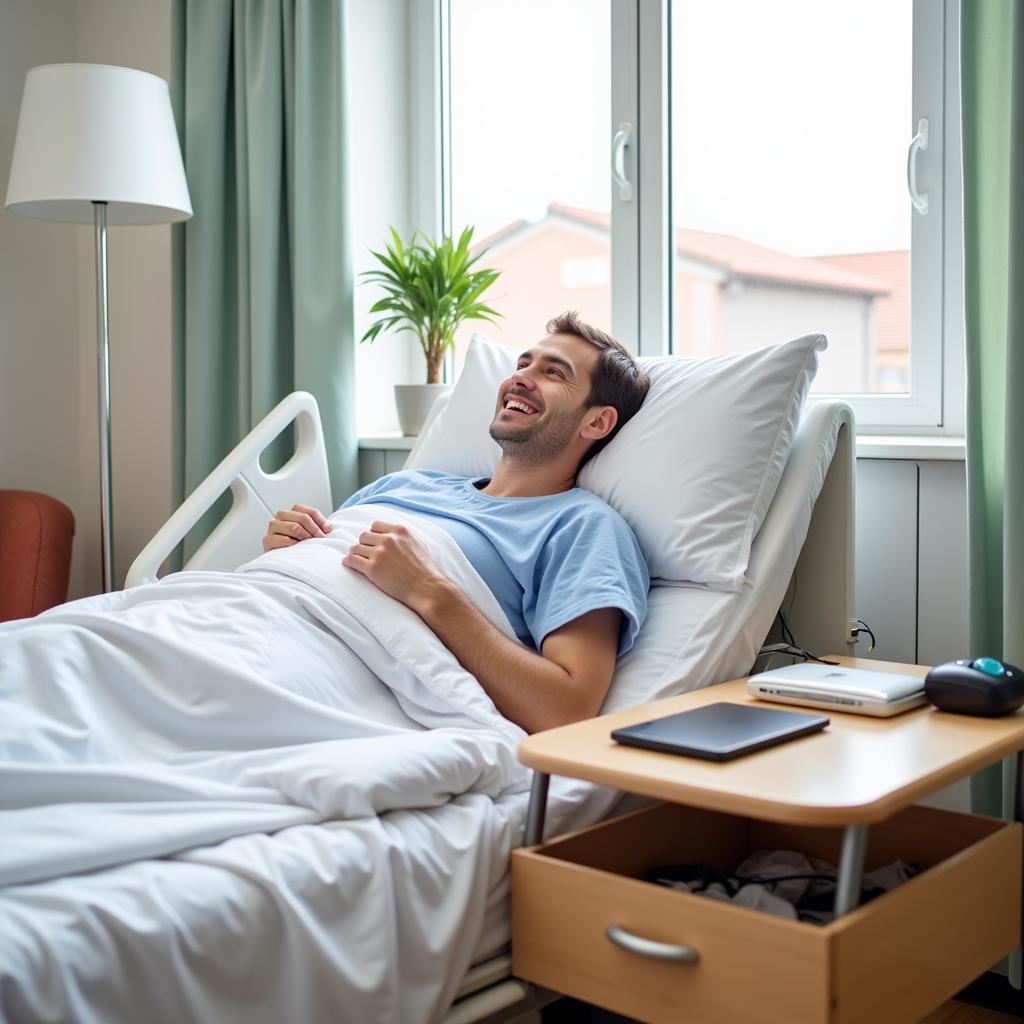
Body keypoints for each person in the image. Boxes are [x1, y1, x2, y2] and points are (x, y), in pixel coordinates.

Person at [261, 311, 652, 734]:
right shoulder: (405, 484)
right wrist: (292, 547)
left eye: (554, 373)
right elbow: (321, 581)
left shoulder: (582, 527)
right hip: (254, 619)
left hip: (319, 676)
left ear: (598, 421)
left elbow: (565, 708)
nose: (521, 377)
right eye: (523, 365)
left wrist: (427, 590)